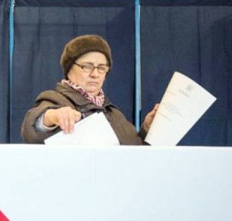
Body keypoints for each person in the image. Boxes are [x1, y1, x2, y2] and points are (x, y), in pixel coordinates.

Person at [21, 34, 158, 144]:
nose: (95, 74)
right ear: (69, 70)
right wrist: (51, 117)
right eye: (87, 66)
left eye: (101, 68)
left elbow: (136, 154)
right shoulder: (56, 100)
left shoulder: (115, 113)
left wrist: (147, 129)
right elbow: (31, 130)